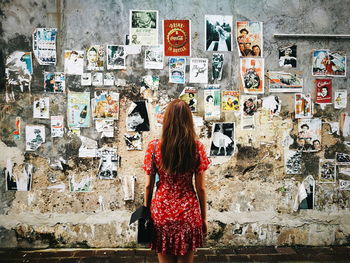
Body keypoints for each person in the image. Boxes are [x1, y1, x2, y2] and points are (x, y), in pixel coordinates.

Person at [143, 99, 210, 263]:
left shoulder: (154, 147)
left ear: (167, 120)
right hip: (188, 212)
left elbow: (148, 186)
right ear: (188, 120)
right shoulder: (197, 147)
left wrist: (146, 214)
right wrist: (203, 218)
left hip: (161, 212)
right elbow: (200, 188)